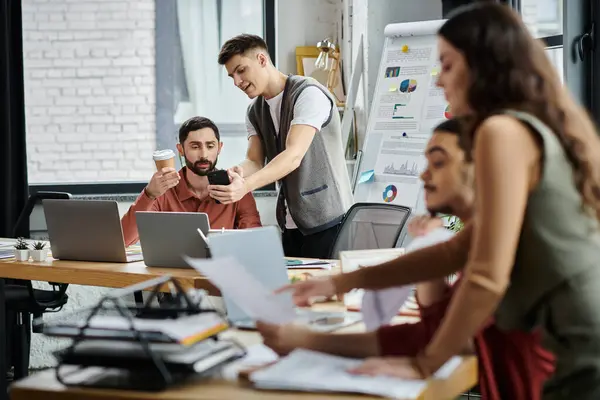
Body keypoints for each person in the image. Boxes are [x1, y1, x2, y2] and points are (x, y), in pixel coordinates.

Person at [277, 3, 600, 398]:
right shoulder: (528, 128)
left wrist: (424, 364)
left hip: (571, 340)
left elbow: (485, 274)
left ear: (483, 66)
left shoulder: (502, 132)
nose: (439, 82)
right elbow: (458, 250)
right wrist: (342, 281)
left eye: (446, 66)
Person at [257, 118, 555, 400]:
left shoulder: (506, 247)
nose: (424, 174)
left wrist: (307, 340)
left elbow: (432, 339)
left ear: (484, 169)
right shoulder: (482, 238)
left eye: (438, 162)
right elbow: (437, 326)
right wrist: (338, 284)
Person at [211, 34, 354, 259]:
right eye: (232, 76)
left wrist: (245, 186)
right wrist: (237, 173)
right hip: (290, 223)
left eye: (241, 70)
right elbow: (255, 161)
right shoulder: (254, 111)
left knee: (324, 293)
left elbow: (293, 155)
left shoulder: (308, 94)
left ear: (261, 59)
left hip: (329, 220)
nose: (237, 82)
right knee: (294, 293)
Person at [121, 116, 262, 246]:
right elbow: (125, 240)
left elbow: (254, 243)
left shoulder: (236, 189)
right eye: (195, 146)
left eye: (210, 146)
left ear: (219, 148)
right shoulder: (163, 190)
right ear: (181, 149)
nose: (204, 155)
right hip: (173, 270)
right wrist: (149, 194)